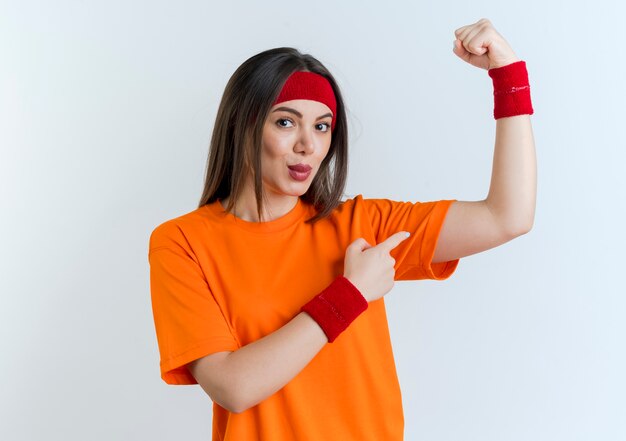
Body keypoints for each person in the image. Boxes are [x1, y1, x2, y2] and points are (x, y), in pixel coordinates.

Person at [148, 18, 536, 441]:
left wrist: (508, 75)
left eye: (322, 126)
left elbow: (508, 217)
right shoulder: (183, 243)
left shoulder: (361, 226)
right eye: (285, 122)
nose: (308, 146)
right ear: (243, 125)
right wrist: (350, 295)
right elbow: (233, 387)